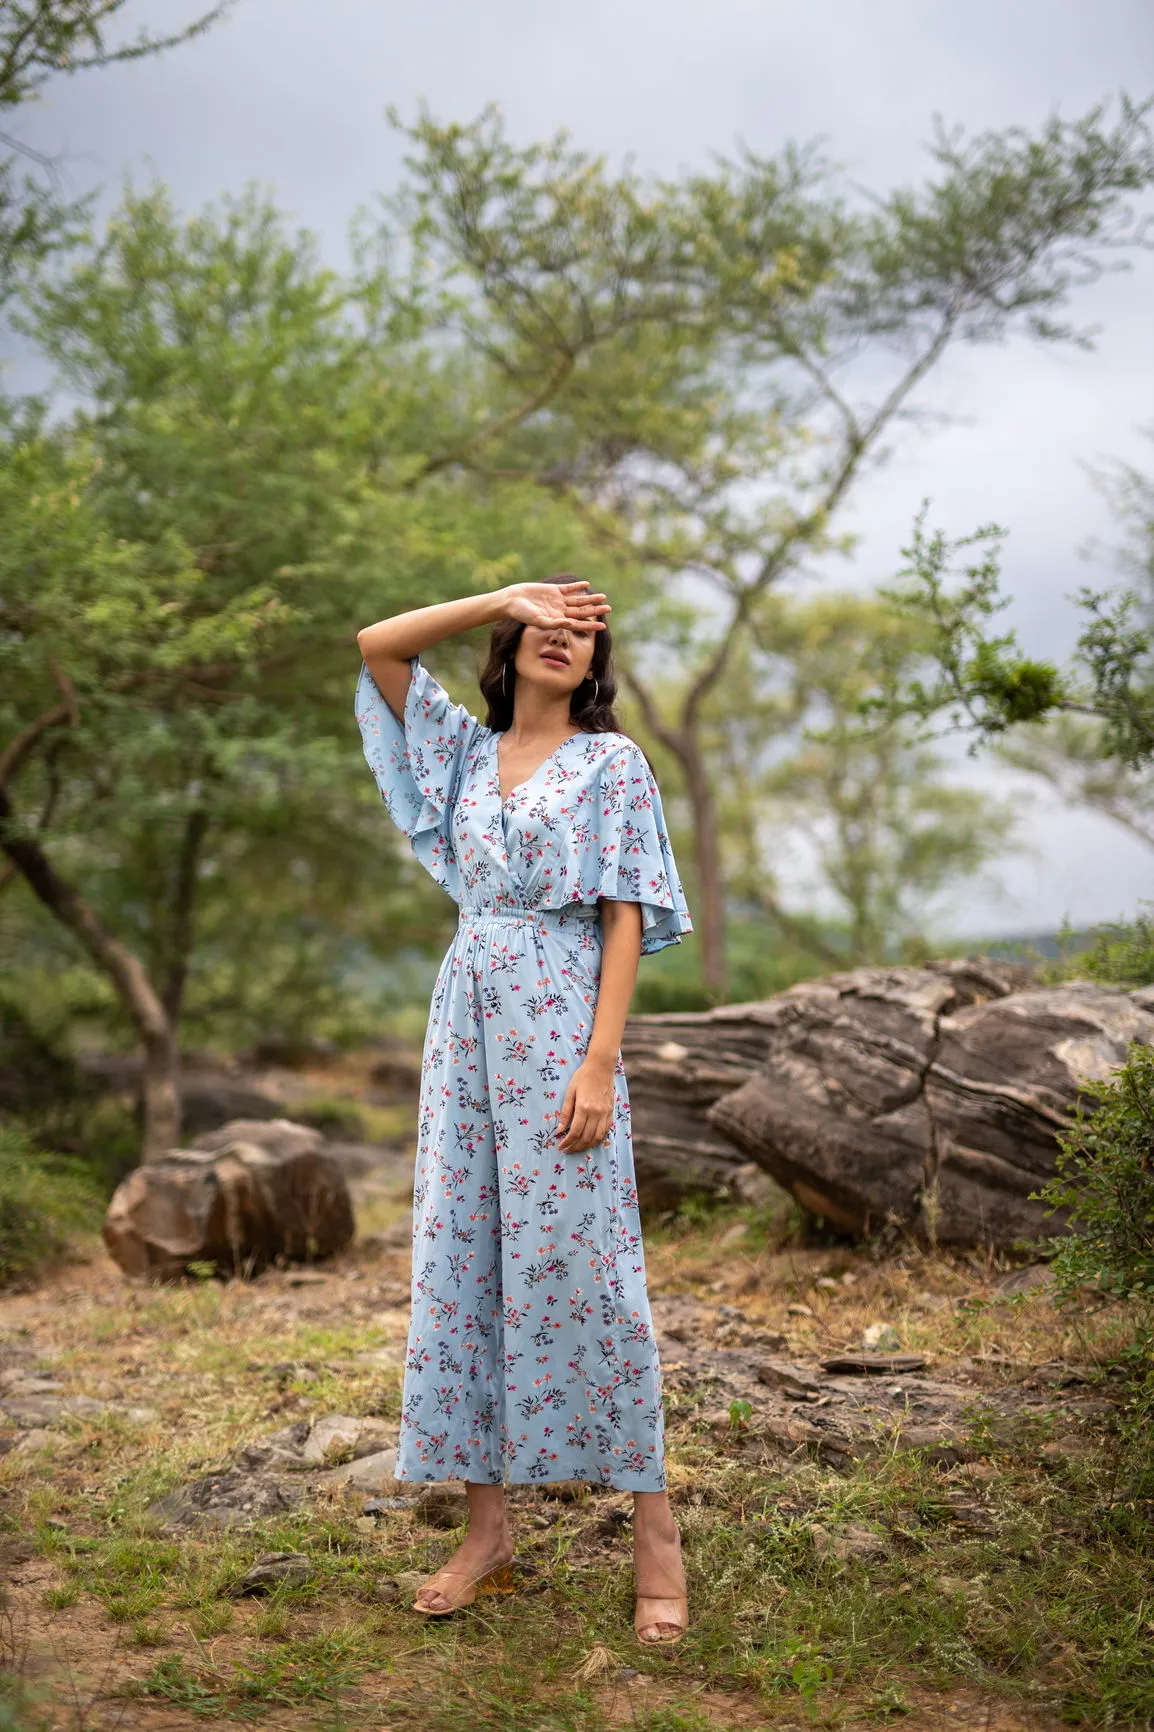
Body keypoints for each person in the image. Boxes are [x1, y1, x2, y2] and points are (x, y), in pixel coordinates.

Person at [355, 574, 694, 1645]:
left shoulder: (612, 763)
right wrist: (501, 591)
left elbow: (625, 913)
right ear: (509, 644)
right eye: (542, 625)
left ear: (596, 666)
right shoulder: (459, 751)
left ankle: (654, 1535)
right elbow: (379, 644)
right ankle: (485, 1530)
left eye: (582, 633)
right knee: (462, 1266)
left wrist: (600, 1060)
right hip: (465, 1022)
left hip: (560, 1016)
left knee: (588, 1263)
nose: (561, 640)